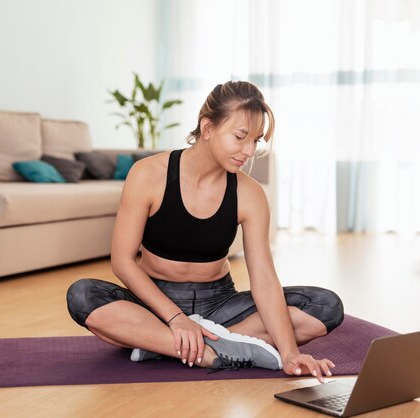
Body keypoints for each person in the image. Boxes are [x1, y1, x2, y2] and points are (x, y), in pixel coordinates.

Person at [66, 81, 344, 382]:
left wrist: (290, 354)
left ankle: (161, 344)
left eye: (256, 141)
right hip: (151, 302)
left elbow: (263, 277)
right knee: (82, 295)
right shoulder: (148, 175)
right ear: (207, 128)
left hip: (220, 304)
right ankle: (210, 352)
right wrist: (176, 318)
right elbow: (122, 261)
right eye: (240, 137)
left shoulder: (250, 194)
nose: (249, 151)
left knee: (326, 306)